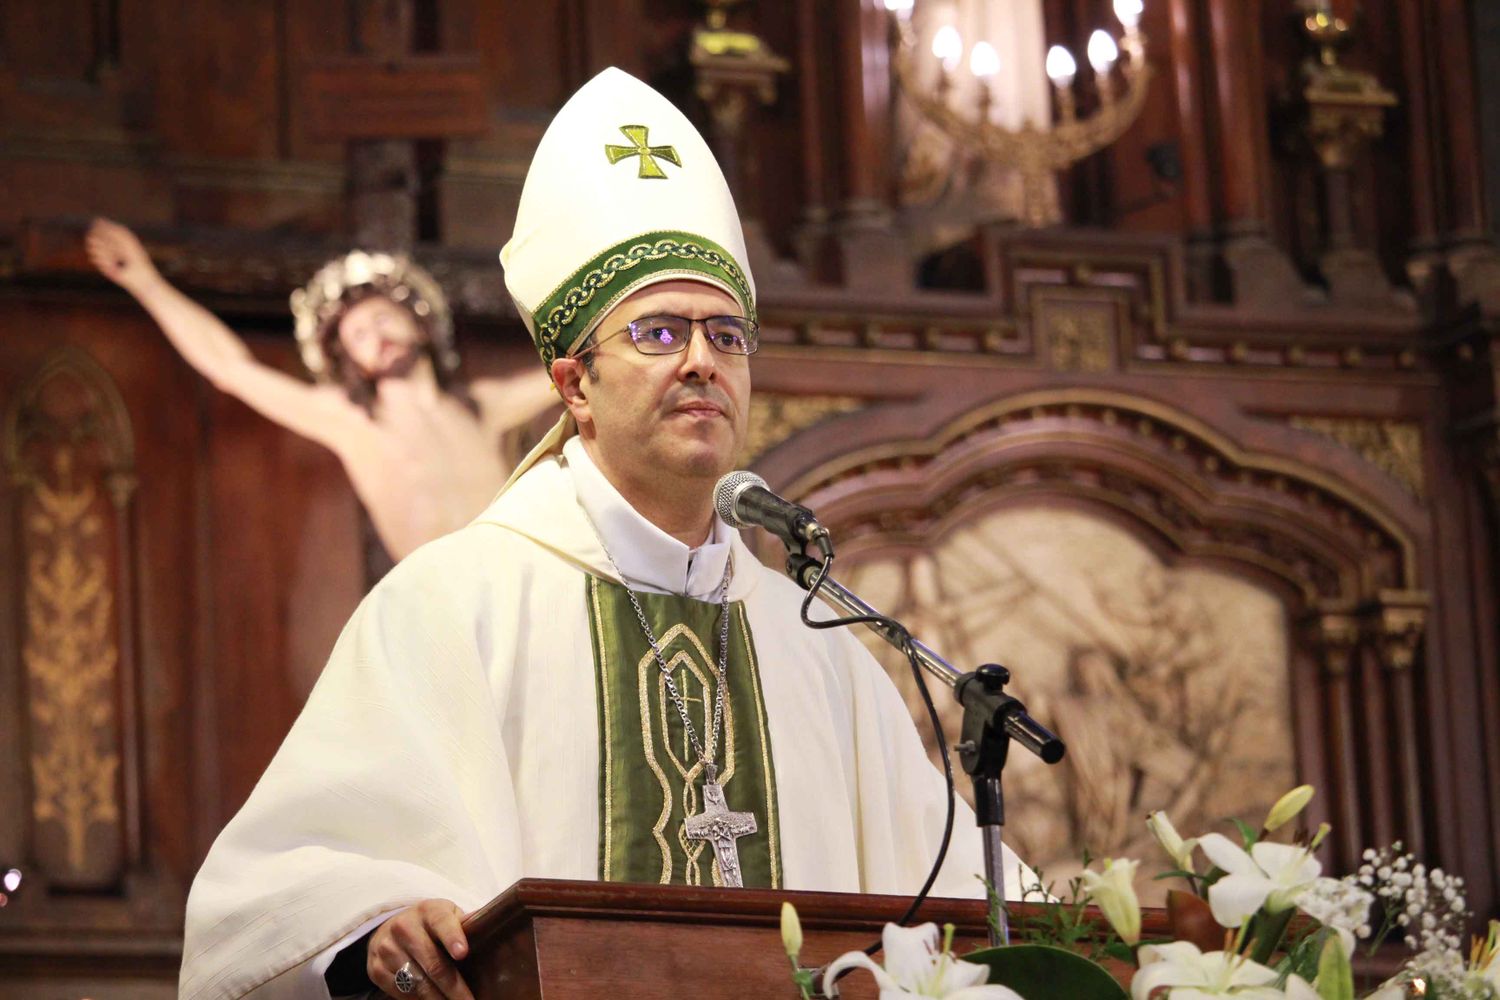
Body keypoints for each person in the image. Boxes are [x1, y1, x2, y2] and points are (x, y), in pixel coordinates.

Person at [177, 67, 1029, 1000]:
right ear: (574, 384)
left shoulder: (816, 644)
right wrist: (380, 928)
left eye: (727, 335)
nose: (704, 360)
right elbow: (275, 897)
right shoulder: (455, 603)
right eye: (660, 334)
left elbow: (970, 912)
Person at [85, 220, 558, 562]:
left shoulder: (481, 406)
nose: (376, 337)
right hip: (441, 601)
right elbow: (227, 367)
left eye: (380, 319)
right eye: (358, 337)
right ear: (350, 363)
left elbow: (569, 371)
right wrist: (144, 281)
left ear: (416, 321)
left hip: (519, 583)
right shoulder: (351, 421)